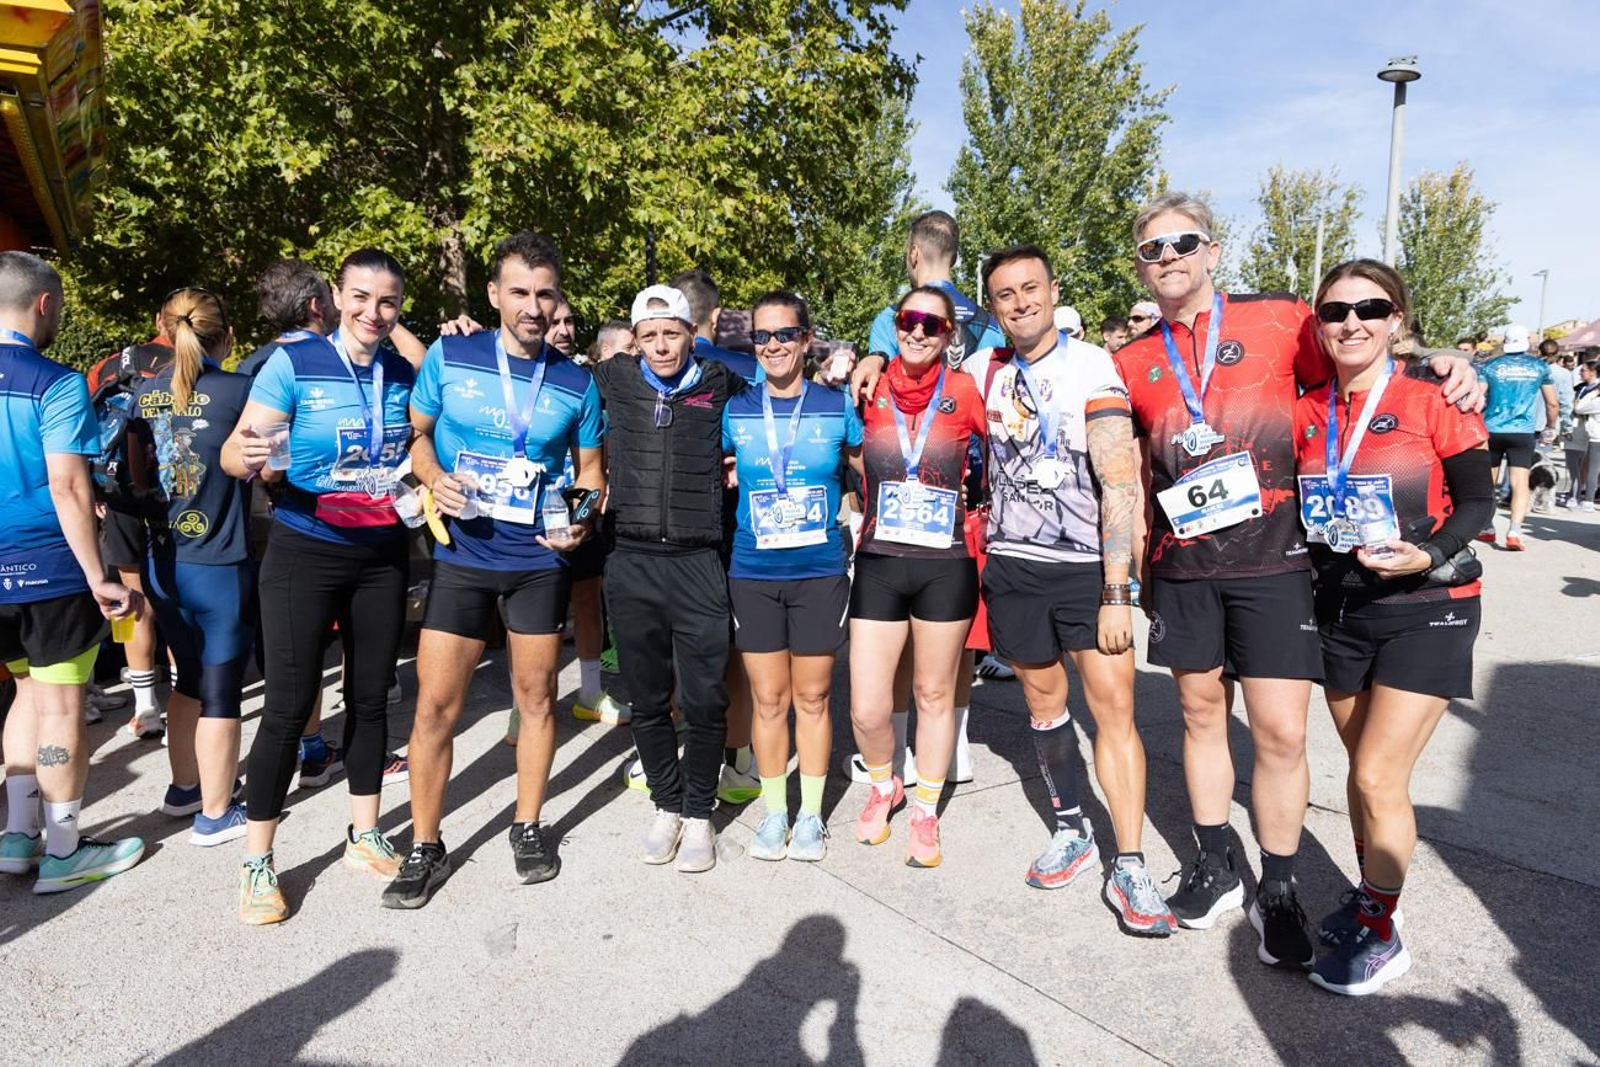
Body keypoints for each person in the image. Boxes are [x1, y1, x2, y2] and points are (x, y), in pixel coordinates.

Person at [1110, 192, 1479, 968]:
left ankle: (1278, 884)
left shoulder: (1281, 319)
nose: (1169, 256)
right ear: (1140, 267)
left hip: (1279, 564)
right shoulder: (1131, 360)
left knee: (1279, 732)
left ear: (1213, 251)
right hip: (1185, 567)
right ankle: (1214, 867)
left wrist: (1446, 364)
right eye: (1152, 248)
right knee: (1200, 716)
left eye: (1185, 242)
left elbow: (1362, 362)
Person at [382, 233, 605, 908]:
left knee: (536, 699)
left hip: (538, 560)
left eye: (545, 293)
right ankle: (425, 844)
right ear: (493, 295)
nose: (533, 306)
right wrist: (431, 476)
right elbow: (414, 434)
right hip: (462, 556)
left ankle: (528, 824)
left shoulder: (576, 380)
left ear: (557, 297)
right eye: (519, 292)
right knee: (434, 708)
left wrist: (580, 516)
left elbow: (590, 473)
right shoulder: (453, 355)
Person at [1293, 259, 1492, 995]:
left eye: (1370, 309)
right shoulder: (1309, 408)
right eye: (1337, 311)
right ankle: (1373, 895)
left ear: (1396, 321)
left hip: (1429, 609)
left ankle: (1380, 923)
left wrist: (1431, 551)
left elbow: (1478, 500)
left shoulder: (1431, 396)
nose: (1352, 322)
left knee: (1379, 772)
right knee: (1367, 775)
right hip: (1341, 608)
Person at [970, 246, 1176, 935]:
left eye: (1032, 288)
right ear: (992, 306)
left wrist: (1119, 589)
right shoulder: (981, 371)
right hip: (1013, 564)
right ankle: (1072, 827)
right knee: (1043, 705)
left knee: (1114, 708)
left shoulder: (1091, 365)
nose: (1021, 301)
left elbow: (1120, 480)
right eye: (1006, 293)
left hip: (1086, 567)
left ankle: (1131, 861)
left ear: (1054, 291)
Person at [222, 248, 415, 924]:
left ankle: (363, 835)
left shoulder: (399, 369)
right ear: (336, 296)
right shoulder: (293, 363)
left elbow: (415, 450)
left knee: (370, 698)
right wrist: (243, 454)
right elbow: (236, 450)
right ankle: (257, 862)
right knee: (288, 704)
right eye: (360, 297)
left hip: (384, 552)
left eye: (388, 301)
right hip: (305, 550)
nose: (373, 312)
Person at [0, 251, 146, 892]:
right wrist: (99, 576)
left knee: (24, 693)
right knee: (60, 707)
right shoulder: (54, 381)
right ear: (44, 304)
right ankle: (62, 851)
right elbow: (68, 486)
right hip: (50, 568)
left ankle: (15, 835)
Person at [593, 284, 750, 872]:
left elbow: (779, 403)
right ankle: (666, 803)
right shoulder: (614, 380)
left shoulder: (719, 381)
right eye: (650, 336)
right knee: (648, 696)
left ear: (691, 333)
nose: (661, 346)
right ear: (635, 340)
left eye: (672, 333)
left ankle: (700, 812)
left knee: (707, 697)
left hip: (698, 562)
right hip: (630, 559)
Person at [850, 210, 1005, 789]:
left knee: (907, 642)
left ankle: (903, 751)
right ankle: (954, 747)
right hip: (967, 502)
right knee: (954, 640)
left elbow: (872, 388)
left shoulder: (893, 318)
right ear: (956, 256)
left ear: (913, 254)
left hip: (916, 493)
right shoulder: (986, 320)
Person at [849, 285, 986, 868]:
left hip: (944, 565)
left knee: (933, 693)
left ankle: (926, 808)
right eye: (910, 320)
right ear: (894, 324)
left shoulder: (964, 391)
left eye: (933, 325)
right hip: (880, 561)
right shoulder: (867, 386)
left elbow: (1007, 452)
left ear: (949, 334)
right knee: (867, 705)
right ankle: (886, 784)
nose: (919, 333)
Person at [723, 291, 861, 863]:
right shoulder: (735, 410)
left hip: (819, 570)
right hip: (753, 571)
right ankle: (774, 811)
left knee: (814, 696)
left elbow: (861, 465)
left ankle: (810, 815)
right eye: (762, 336)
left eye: (784, 335)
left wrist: (857, 506)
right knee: (767, 698)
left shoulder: (835, 405)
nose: (773, 346)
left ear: (807, 340)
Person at [125, 288, 255, 844]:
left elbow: (133, 477)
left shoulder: (142, 394)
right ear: (224, 337)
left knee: (187, 678)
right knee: (222, 689)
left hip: (162, 558)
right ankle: (217, 812)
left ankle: (184, 788)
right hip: (220, 561)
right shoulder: (238, 391)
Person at [665, 268, 760, 803]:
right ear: (717, 316)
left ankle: (677, 748)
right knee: (734, 647)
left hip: (674, 529)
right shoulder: (747, 369)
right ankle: (741, 761)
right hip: (737, 521)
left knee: (678, 641)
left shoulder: (643, 370)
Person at [86, 306, 179, 739]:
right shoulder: (190, 368)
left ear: (158, 320)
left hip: (118, 497)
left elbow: (85, 433)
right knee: (177, 597)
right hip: (173, 496)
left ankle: (145, 708)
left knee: (129, 596)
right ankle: (184, 695)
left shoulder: (107, 366)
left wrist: (96, 490)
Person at [1476, 324, 1558, 550]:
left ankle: (1486, 527)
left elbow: (1478, 395)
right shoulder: (1539, 367)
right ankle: (1514, 531)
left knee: (1488, 482)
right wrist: (1551, 426)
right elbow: (1552, 403)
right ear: (1527, 342)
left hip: (1491, 428)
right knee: (1519, 483)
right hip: (1522, 431)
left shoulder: (1490, 365)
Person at [1570, 362, 1600, 511]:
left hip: (1596, 436)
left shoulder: (1596, 399)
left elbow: (1580, 408)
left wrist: (1594, 393)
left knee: (1592, 468)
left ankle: (1588, 500)